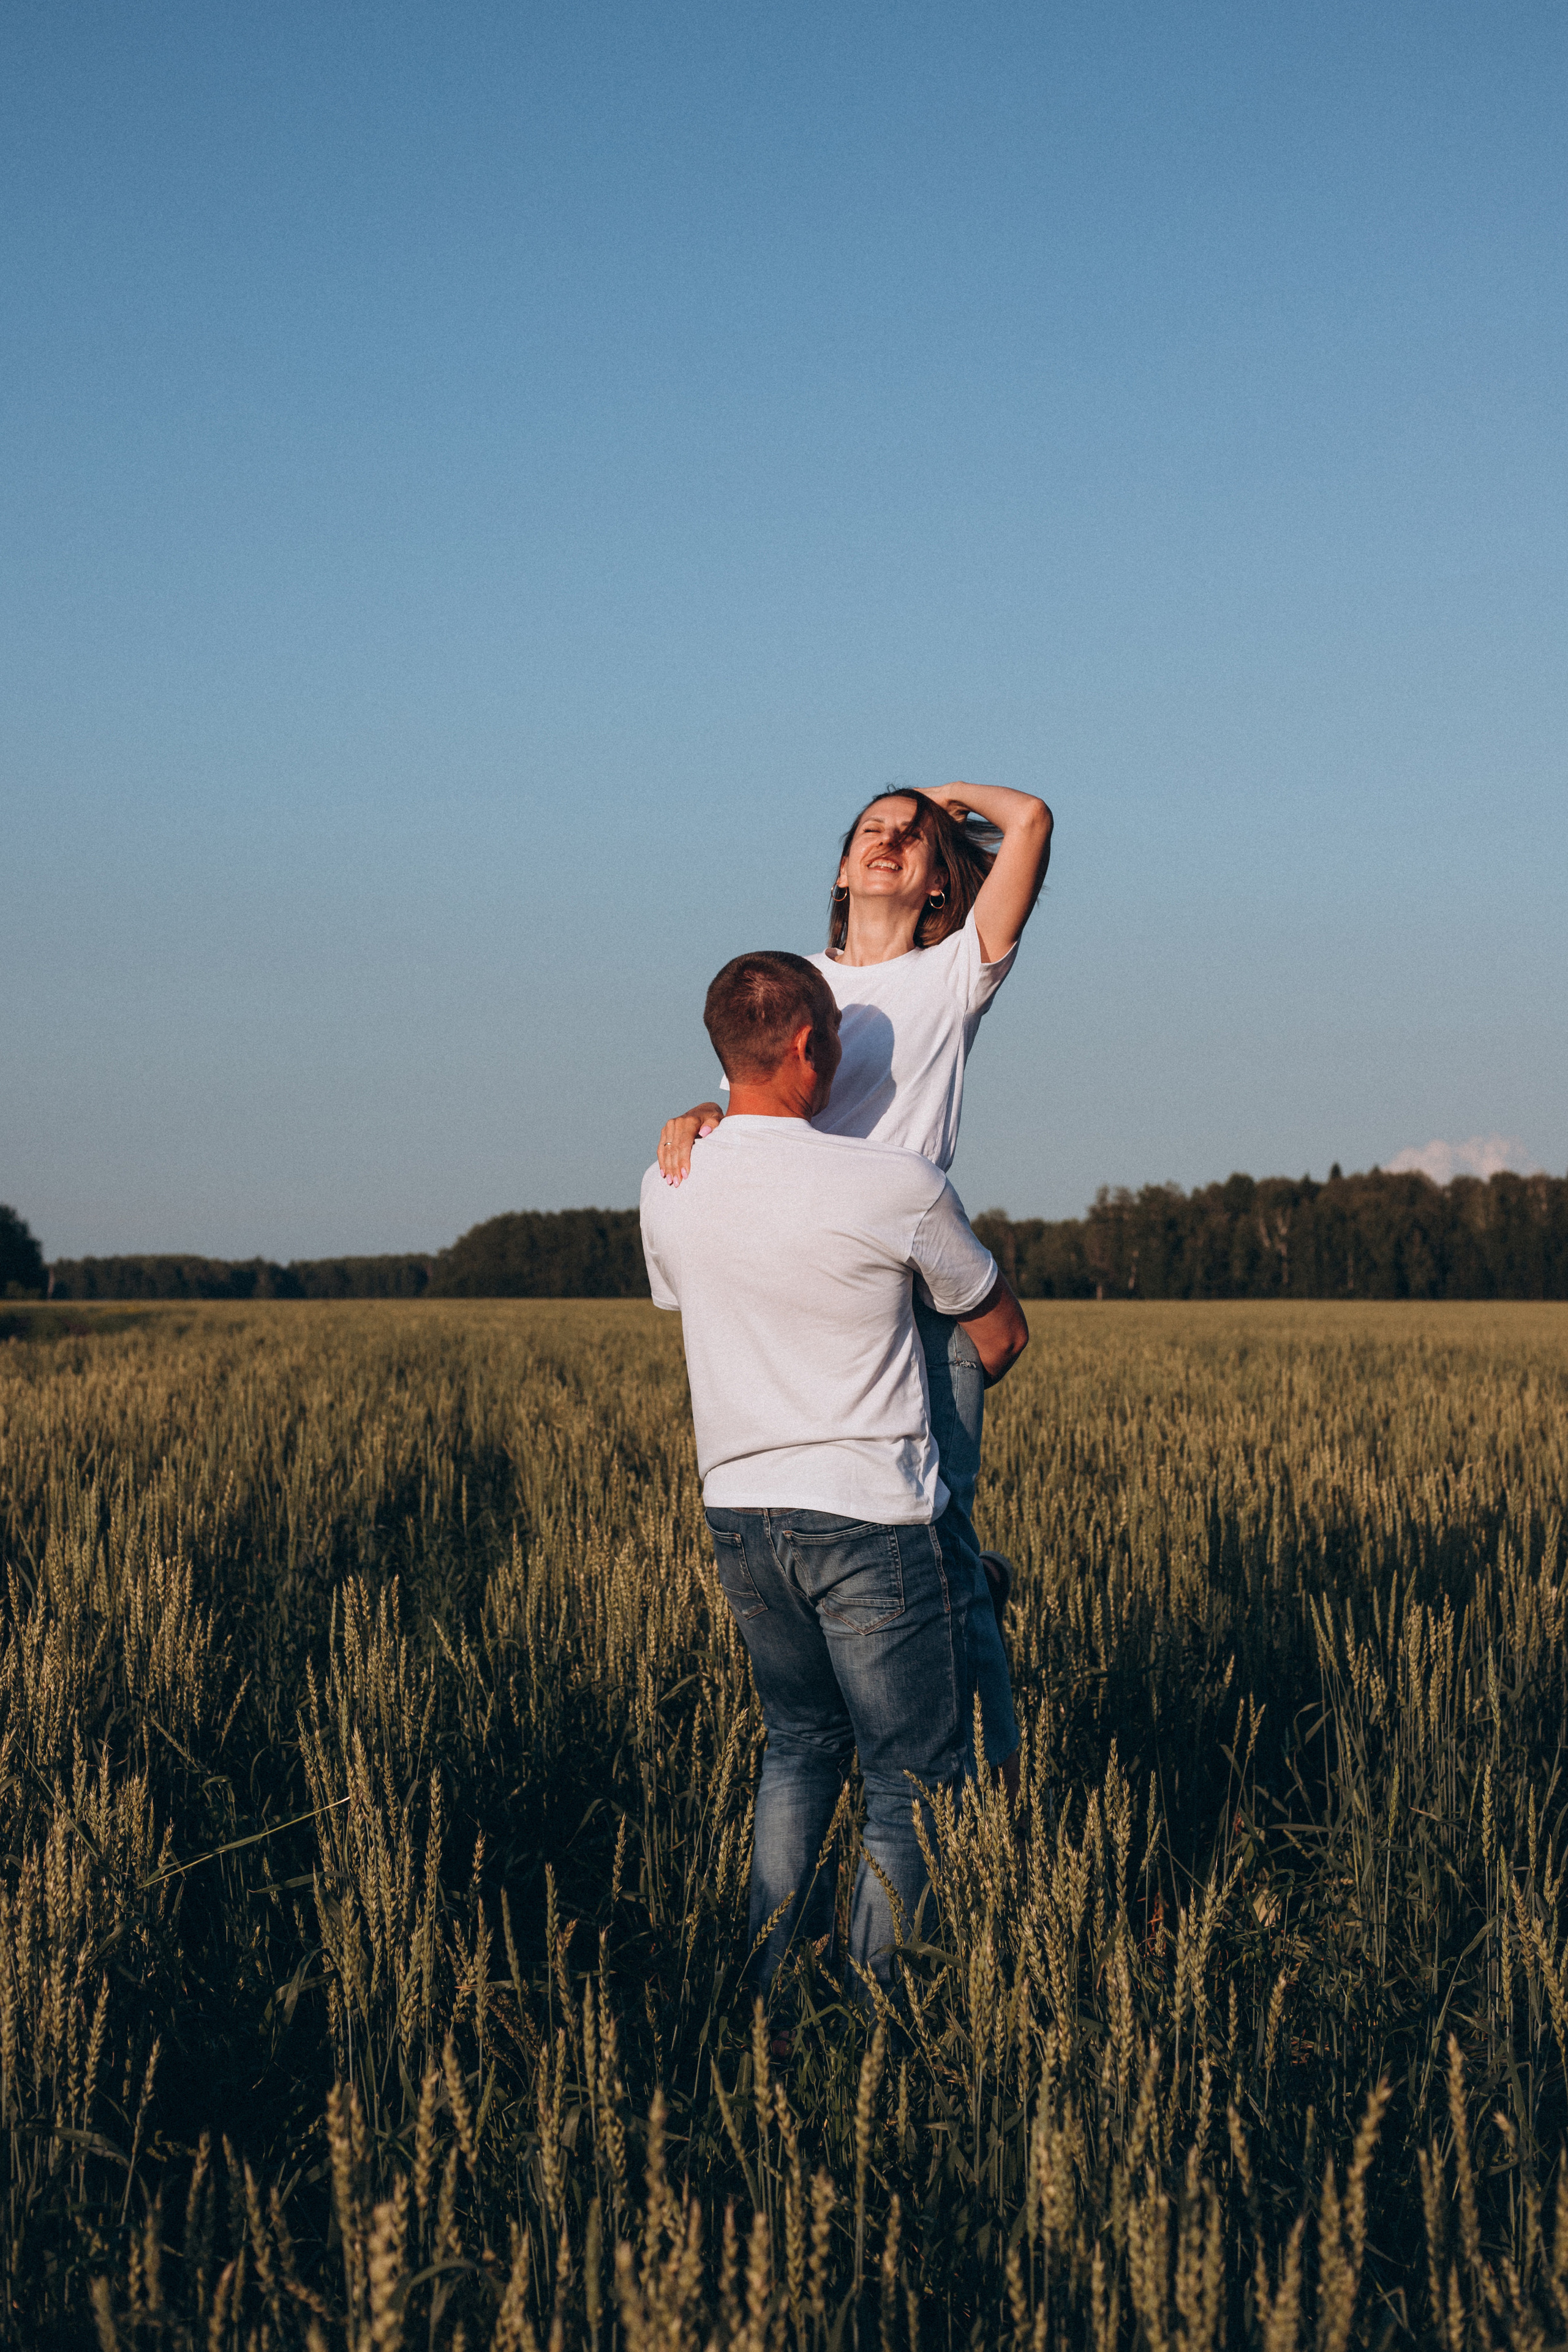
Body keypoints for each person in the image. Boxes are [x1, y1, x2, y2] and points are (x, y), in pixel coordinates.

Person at [639, 951, 1029, 1994]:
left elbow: (687, 1298)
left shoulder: (668, 1183)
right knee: (911, 1781)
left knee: (798, 1746)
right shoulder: (895, 1182)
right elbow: (998, 1335)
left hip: (742, 1517)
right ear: (812, 1047)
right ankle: (876, 2019)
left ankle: (770, 1993)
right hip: (870, 1515)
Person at [655, 782, 1052, 1785]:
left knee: (948, 1555)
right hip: (816, 1304)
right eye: (873, 830)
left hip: (919, 1299)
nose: (892, 841)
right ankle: (907, 1778)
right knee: (870, 1555)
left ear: (934, 887)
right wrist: (697, 1113)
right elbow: (754, 1100)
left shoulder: (952, 972)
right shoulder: (797, 987)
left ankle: (990, 1801)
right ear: (841, 870)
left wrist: (939, 796)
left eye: (915, 840)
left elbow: (1034, 823)